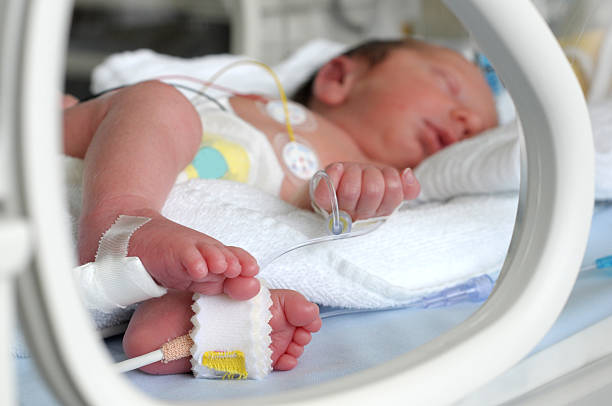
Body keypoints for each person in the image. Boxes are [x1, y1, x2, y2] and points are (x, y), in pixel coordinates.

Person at [63, 38, 498, 374]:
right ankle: (116, 223)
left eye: (480, 133)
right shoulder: (260, 104)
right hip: (101, 156)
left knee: (230, 271)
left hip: (185, 232)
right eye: (449, 87)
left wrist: (357, 200)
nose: (469, 121)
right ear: (337, 79)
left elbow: (332, 218)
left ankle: (179, 329)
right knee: (158, 102)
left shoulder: (367, 180)